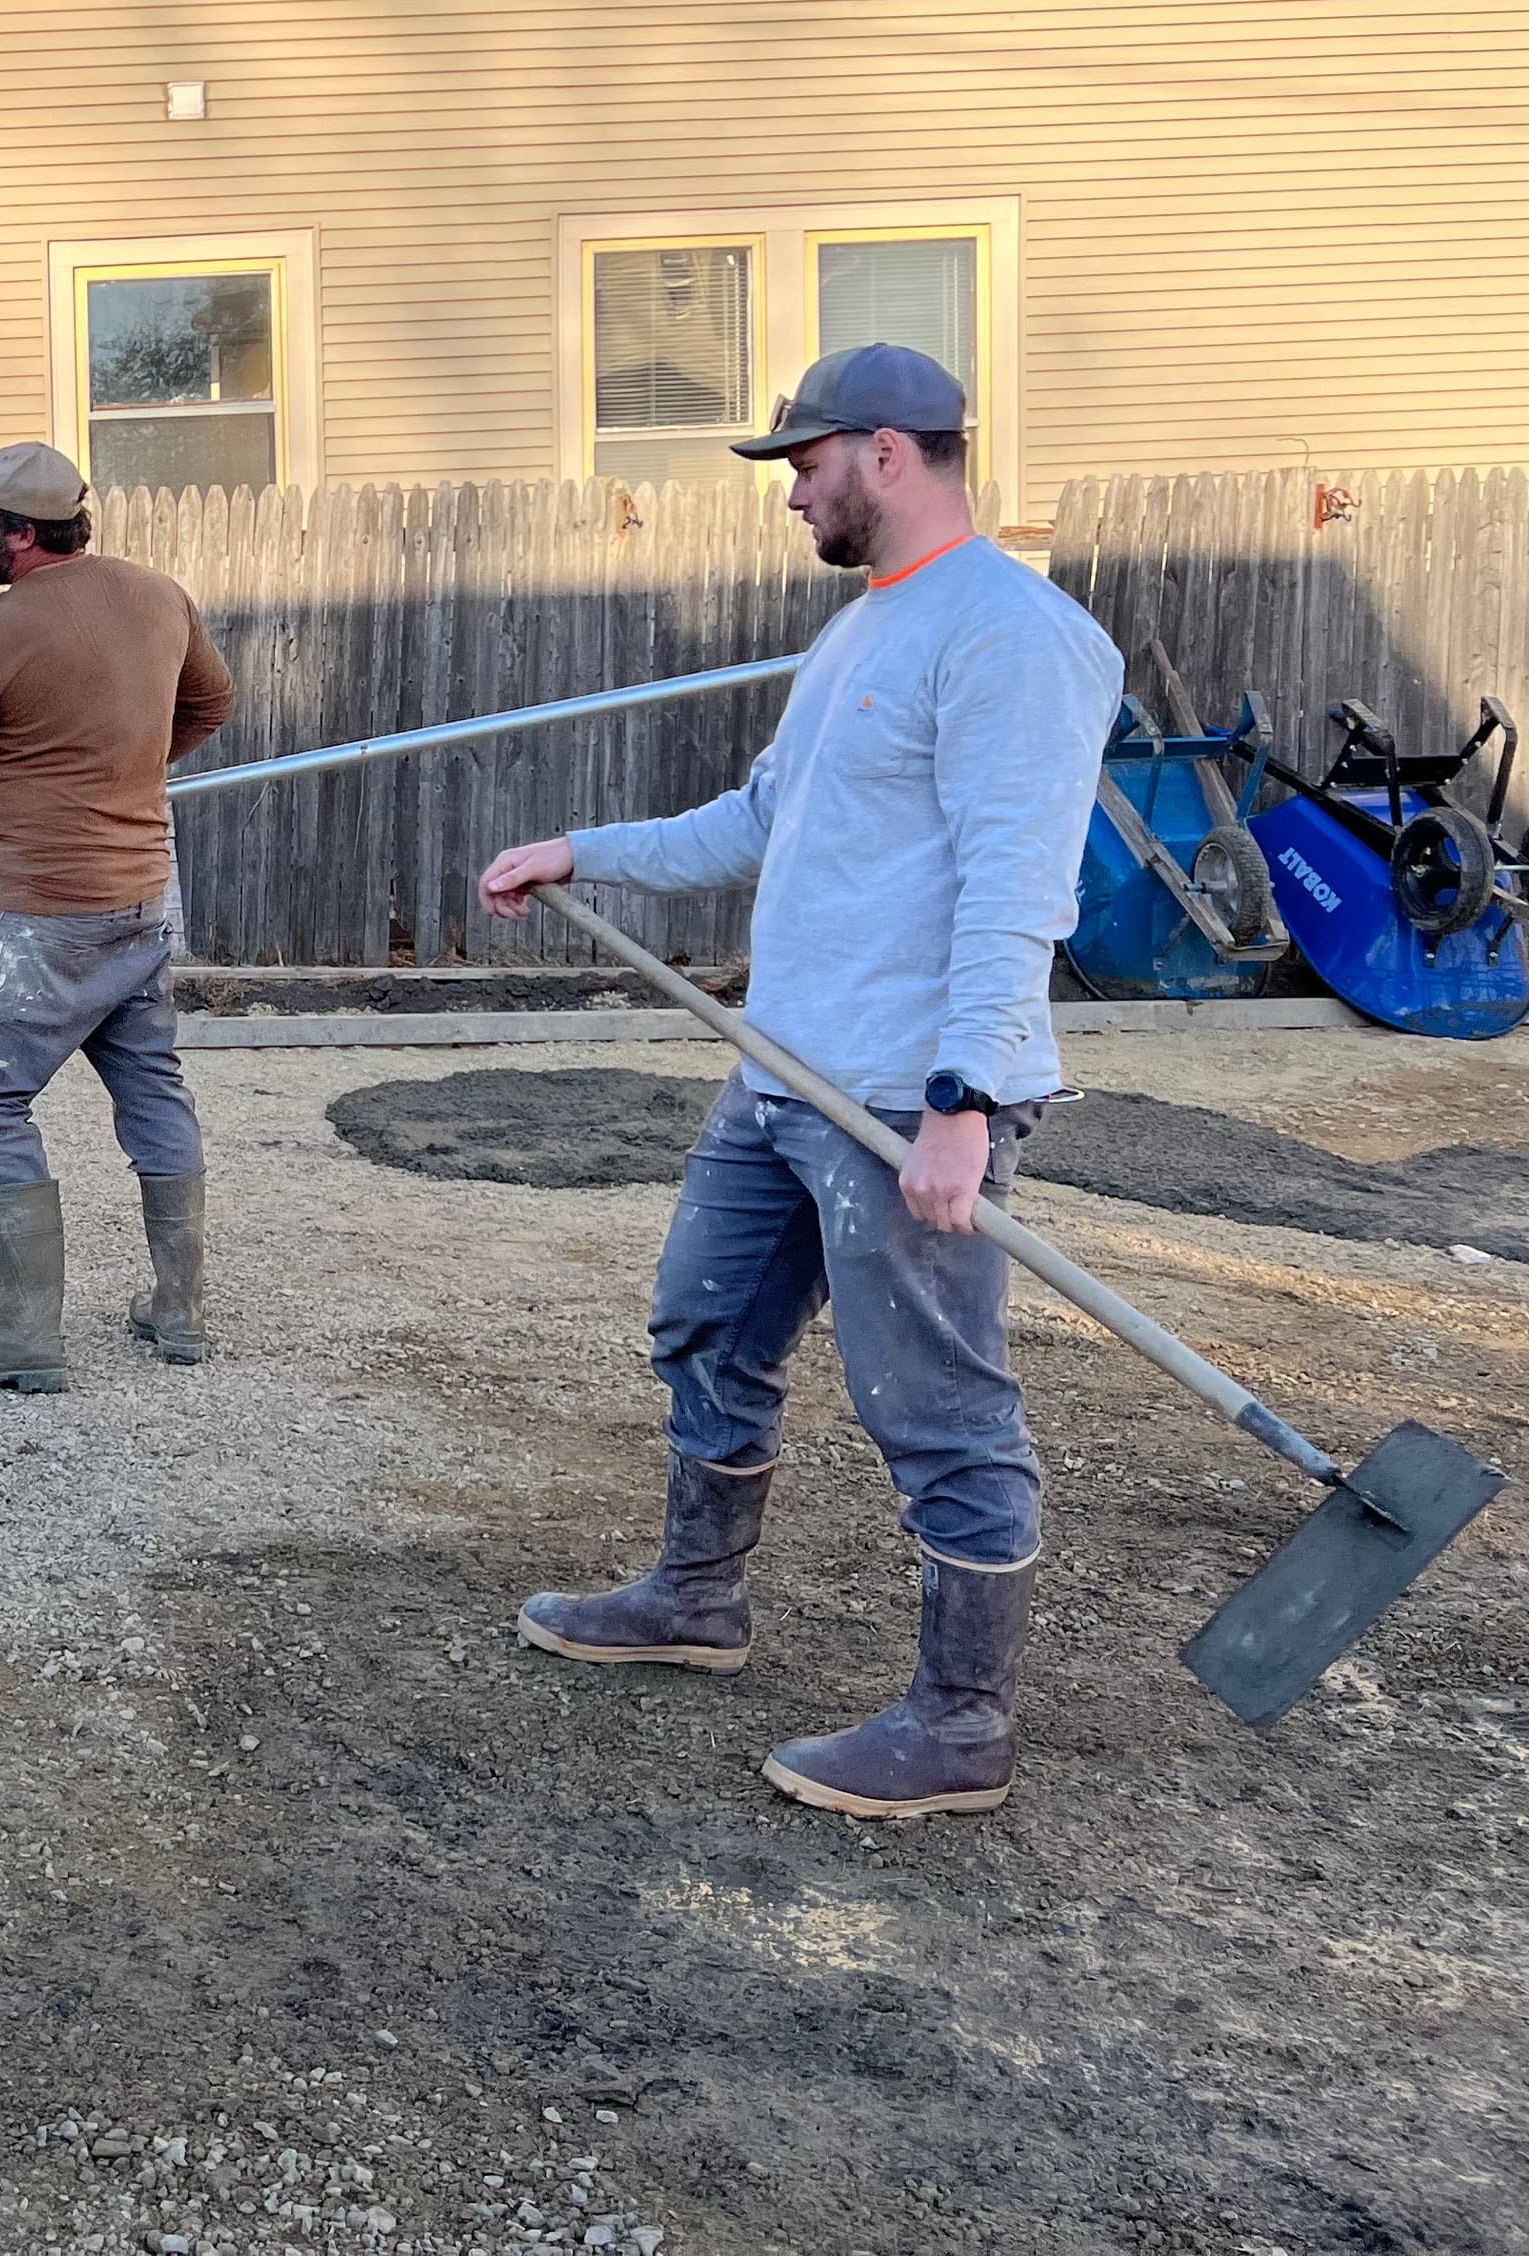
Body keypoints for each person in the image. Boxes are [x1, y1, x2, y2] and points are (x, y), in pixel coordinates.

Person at [477, 344, 1122, 1820]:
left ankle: (961, 1722)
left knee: (935, 1399)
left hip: (905, 1090)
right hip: (786, 1071)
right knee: (704, 1319)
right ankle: (697, 1598)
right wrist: (589, 853)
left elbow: (1020, 878)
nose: (792, 497)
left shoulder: (1015, 637)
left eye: (806, 464)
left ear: (886, 452)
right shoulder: (861, 633)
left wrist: (962, 1098)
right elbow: (764, 817)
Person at [0, 443, 237, 1391]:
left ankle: (20, 1337)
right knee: (151, 1085)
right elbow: (213, 700)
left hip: (39, 914)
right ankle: (178, 1310)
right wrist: (128, 769)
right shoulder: (157, 595)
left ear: (23, 534)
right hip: (144, 899)